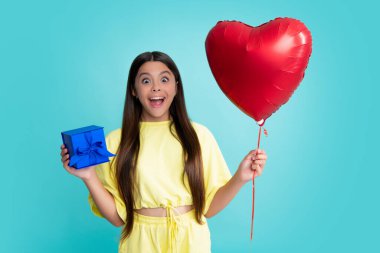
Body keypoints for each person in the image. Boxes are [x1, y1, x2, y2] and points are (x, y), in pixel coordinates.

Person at [60, 51, 267, 253]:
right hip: (140, 242)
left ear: (176, 87)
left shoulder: (199, 135)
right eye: (146, 81)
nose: (156, 88)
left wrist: (240, 177)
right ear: (134, 89)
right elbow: (116, 218)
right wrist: (88, 176)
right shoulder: (114, 142)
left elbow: (209, 208)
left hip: (191, 240)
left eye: (165, 79)